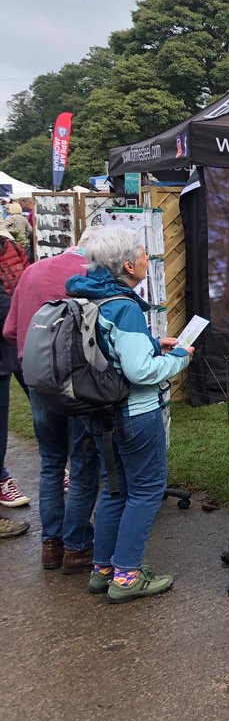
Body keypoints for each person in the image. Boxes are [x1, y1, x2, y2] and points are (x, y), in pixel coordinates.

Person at [65, 227, 193, 603]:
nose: (146, 260)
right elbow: (139, 372)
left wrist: (153, 344)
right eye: (142, 254)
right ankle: (127, 576)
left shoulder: (91, 297)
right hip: (134, 413)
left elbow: (107, 347)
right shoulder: (124, 305)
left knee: (115, 489)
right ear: (126, 264)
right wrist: (177, 359)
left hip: (100, 414)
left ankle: (103, 570)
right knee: (146, 491)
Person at [5, 227, 101, 573]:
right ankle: (77, 547)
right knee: (82, 466)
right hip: (78, 386)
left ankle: (51, 545)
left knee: (50, 464)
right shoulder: (92, 274)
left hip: (39, 381)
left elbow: (10, 330)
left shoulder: (34, 270)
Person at [0, 224, 29, 510]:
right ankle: (1, 479)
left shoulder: (12, 247)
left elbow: (27, 279)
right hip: (8, 339)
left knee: (46, 404)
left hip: (22, 339)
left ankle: (56, 468)